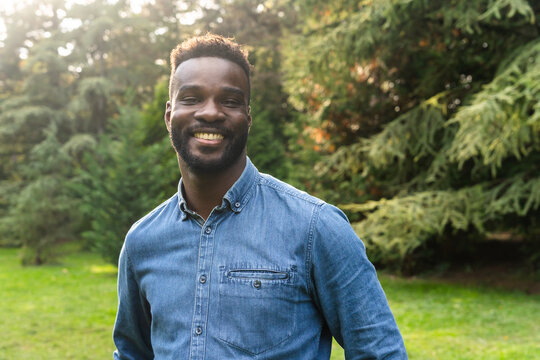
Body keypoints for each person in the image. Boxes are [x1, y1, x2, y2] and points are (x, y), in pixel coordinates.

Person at [113, 33, 407, 360]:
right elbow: (131, 354)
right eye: (192, 98)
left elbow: (380, 353)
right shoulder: (143, 241)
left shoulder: (315, 228)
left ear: (247, 119)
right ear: (169, 115)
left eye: (229, 101)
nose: (210, 113)